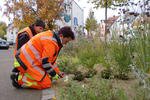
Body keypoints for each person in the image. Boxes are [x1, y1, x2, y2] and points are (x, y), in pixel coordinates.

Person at [11, 26, 75, 89]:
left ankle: (22, 74)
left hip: (25, 60)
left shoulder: (52, 38)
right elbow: (46, 63)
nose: (66, 44)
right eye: (66, 41)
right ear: (61, 36)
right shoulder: (51, 42)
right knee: (46, 83)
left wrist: (58, 72)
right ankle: (19, 78)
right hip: (24, 62)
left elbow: (50, 61)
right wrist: (54, 75)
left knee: (48, 77)